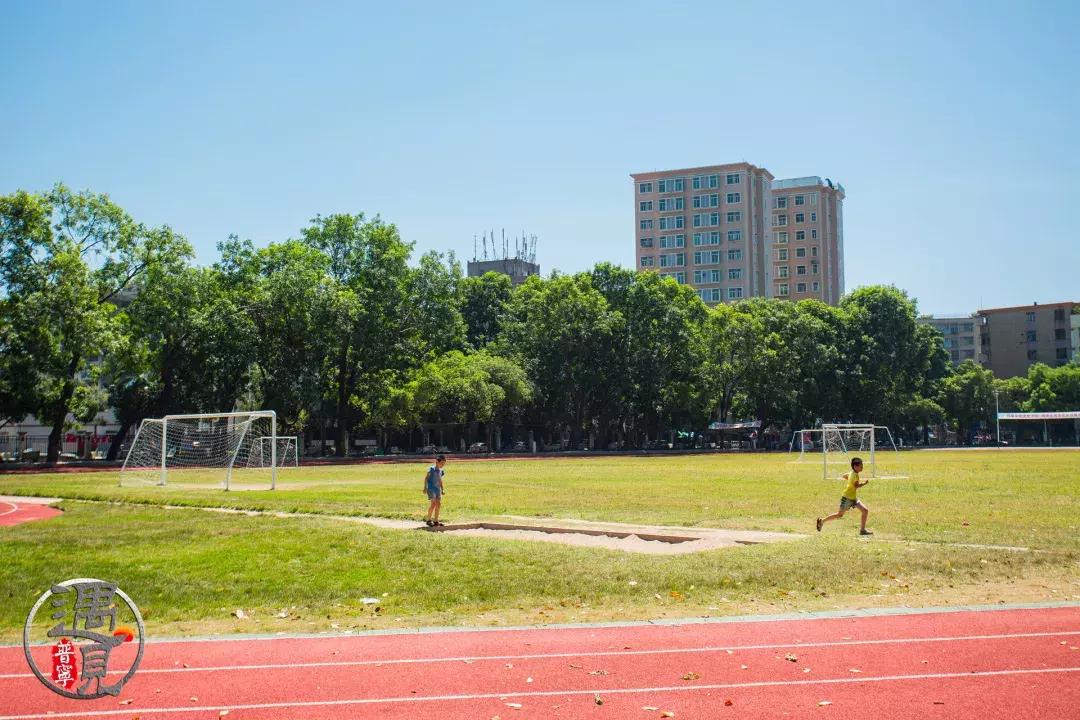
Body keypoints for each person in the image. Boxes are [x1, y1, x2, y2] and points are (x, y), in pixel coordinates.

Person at [816, 456, 872, 535]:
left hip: (853, 498)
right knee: (839, 515)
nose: (862, 467)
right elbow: (856, 486)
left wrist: (850, 480)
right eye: (861, 466)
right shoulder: (854, 475)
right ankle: (822, 521)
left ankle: (862, 530)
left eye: (862, 465)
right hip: (847, 499)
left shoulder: (852, 473)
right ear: (855, 466)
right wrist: (864, 483)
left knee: (865, 511)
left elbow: (844, 476)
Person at [423, 454, 447, 527]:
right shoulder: (431, 469)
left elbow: (440, 480)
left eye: (444, 464)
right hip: (431, 488)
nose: (443, 465)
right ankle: (428, 520)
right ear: (437, 461)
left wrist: (442, 489)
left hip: (437, 489)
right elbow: (426, 478)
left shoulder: (441, 471)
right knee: (433, 504)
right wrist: (425, 487)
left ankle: (436, 521)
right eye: (442, 463)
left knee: (438, 504)